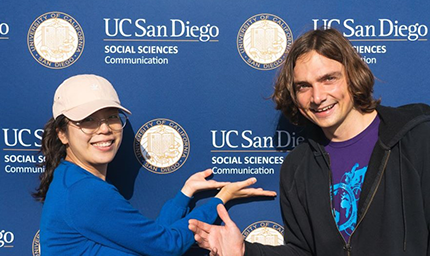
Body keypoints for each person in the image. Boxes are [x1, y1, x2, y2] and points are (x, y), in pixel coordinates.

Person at [189, 28, 430, 255]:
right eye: (304, 86)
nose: (317, 97)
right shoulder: (298, 166)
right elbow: (302, 251)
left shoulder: (416, 140)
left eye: (328, 79)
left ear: (353, 76)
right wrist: (244, 252)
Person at [33, 74, 276, 256]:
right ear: (62, 133)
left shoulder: (72, 180)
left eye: (111, 116)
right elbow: (165, 246)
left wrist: (185, 194)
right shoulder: (84, 191)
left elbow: (149, 241)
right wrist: (219, 200)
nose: (104, 128)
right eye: (88, 120)